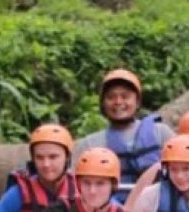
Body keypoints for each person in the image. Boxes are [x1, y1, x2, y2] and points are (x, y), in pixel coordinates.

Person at [72, 69, 175, 200]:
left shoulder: (162, 133)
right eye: (111, 97)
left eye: (125, 96)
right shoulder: (89, 144)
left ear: (137, 102)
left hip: (157, 210)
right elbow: (75, 188)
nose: (118, 102)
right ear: (103, 104)